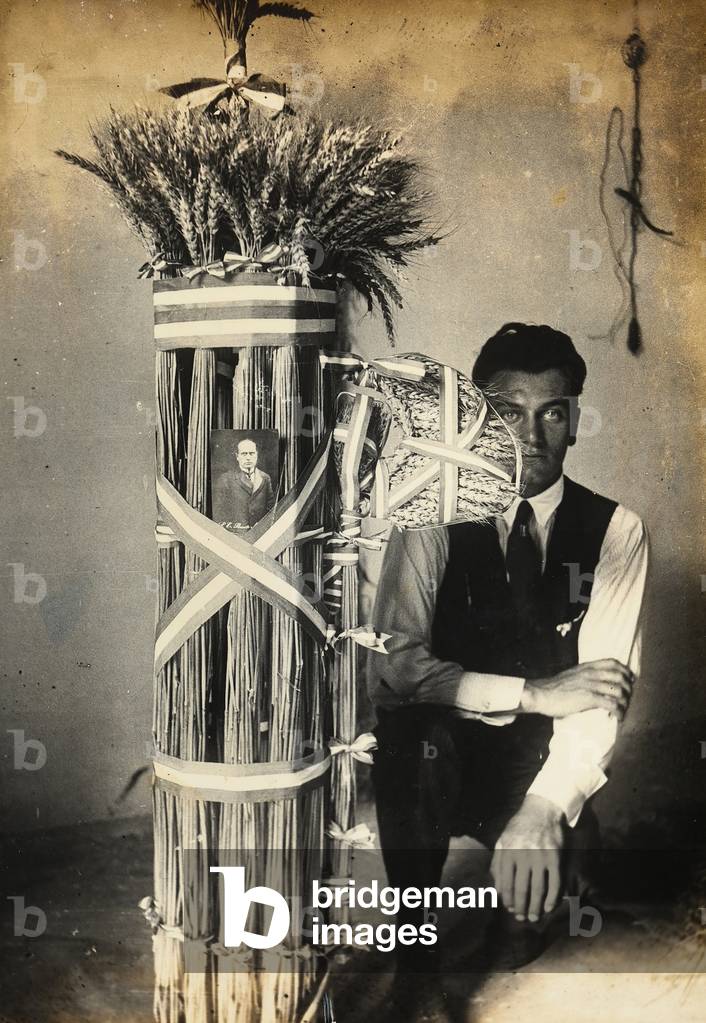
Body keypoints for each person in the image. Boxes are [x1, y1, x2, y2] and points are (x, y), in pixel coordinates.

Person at [367, 323, 649, 982]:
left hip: (534, 761)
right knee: (410, 738)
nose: (531, 435)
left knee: (534, 931)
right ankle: (414, 930)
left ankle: (531, 880)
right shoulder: (429, 512)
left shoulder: (616, 530)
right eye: (509, 411)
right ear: (477, 415)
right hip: (443, 749)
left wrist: (546, 808)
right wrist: (533, 692)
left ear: (575, 421)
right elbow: (391, 666)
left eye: (552, 413)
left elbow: (603, 699)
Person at [213, 437, 275, 530]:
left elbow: (271, 510)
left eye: (251, 453)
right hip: (235, 535)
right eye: (244, 454)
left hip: (260, 535)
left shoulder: (265, 478)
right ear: (237, 456)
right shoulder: (225, 479)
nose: (248, 458)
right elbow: (219, 514)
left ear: (256, 455)